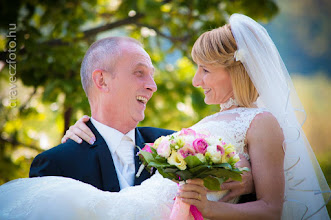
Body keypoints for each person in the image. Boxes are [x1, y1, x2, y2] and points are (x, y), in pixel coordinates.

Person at [0, 14, 329, 220]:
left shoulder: (261, 123)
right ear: (102, 80)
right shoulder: (65, 156)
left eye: (204, 69)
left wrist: (208, 204)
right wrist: (81, 133)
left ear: (235, 71)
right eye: (140, 73)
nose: (196, 80)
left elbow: (269, 207)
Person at [29, 36, 175, 191]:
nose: (152, 86)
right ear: (102, 80)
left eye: (152, 75)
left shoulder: (177, 146)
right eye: (139, 72)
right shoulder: (56, 166)